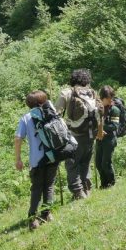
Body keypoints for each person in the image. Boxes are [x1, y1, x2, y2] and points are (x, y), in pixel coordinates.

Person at [14, 90, 58, 230]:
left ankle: (33, 219)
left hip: (37, 160)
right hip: (52, 156)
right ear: (43, 101)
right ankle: (47, 214)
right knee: (49, 185)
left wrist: (18, 159)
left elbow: (18, 138)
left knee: (37, 189)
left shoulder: (26, 118)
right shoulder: (51, 112)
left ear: (29, 104)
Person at [55, 69, 99, 199]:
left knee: (72, 163)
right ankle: (87, 187)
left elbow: (56, 114)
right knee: (85, 161)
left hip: (73, 135)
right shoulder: (92, 92)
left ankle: (78, 192)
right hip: (90, 134)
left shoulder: (67, 93)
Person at [94, 85, 121, 189]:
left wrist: (101, 127)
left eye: (111, 98)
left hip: (109, 140)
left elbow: (114, 126)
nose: (110, 101)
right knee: (98, 163)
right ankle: (104, 183)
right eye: (108, 99)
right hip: (99, 139)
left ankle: (111, 183)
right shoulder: (97, 109)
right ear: (102, 98)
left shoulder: (114, 110)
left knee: (106, 163)